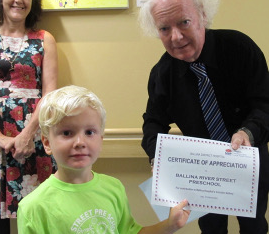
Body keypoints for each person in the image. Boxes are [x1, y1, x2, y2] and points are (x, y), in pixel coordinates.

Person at [138, 0, 269, 233]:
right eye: (164, 28)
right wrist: (158, 155)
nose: (176, 37)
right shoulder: (163, 73)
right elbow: (153, 123)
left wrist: (248, 133)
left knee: (254, 227)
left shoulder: (240, 48)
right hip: (201, 171)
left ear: (203, 16)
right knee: (211, 228)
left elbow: (265, 104)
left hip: (248, 161)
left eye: (184, 22)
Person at [17, 85, 190, 234]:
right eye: (67, 133)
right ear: (47, 143)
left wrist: (170, 225)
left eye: (89, 132)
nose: (80, 142)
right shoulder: (33, 207)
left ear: (101, 138)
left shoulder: (113, 188)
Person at [0, 0, 58, 233]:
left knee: (37, 206)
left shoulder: (44, 39)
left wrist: (27, 134)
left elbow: (49, 94)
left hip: (32, 130)